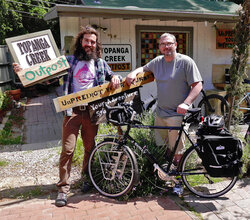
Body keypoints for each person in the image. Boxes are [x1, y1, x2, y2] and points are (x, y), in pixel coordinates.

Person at [13, 26, 121, 207]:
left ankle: (87, 180)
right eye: (87, 41)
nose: (89, 44)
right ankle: (63, 188)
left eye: (93, 42)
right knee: (68, 150)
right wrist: (23, 72)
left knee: (90, 148)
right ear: (81, 42)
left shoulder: (100, 63)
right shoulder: (69, 62)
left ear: (96, 45)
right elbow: (47, 77)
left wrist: (116, 77)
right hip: (72, 112)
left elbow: (112, 76)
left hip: (92, 112)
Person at [126, 33, 203, 168]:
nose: (166, 47)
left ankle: (178, 182)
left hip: (177, 114)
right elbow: (143, 68)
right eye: (163, 44)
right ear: (160, 47)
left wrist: (186, 103)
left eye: (169, 43)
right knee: (164, 147)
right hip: (160, 113)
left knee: (177, 151)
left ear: (175, 45)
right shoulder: (157, 62)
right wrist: (133, 73)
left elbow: (198, 84)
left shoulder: (185, 62)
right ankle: (167, 175)